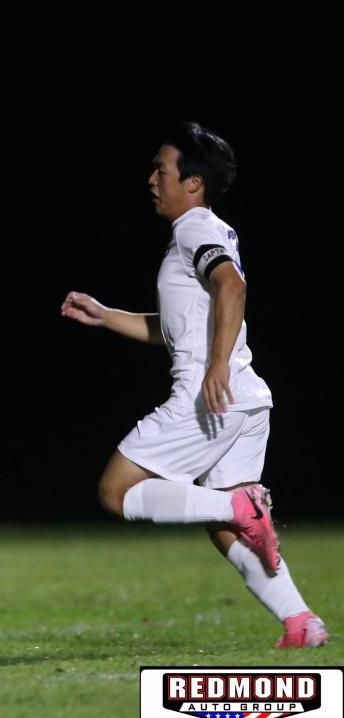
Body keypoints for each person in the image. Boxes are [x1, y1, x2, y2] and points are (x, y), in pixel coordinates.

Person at [61, 121, 327, 649]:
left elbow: (232, 286)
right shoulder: (205, 230)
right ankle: (300, 622)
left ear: (193, 182)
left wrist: (217, 365)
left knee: (116, 492)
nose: (151, 180)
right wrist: (106, 315)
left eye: (161, 170)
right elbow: (177, 327)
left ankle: (241, 507)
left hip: (211, 396)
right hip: (246, 399)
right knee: (225, 528)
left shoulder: (193, 229)